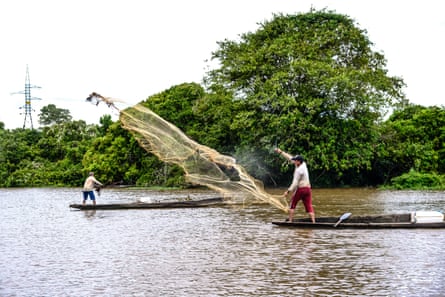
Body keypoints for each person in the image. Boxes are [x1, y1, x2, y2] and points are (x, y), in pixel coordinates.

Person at [274, 148, 315, 223]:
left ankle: (290, 221)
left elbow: (295, 183)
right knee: (309, 205)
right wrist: (281, 152)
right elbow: (290, 158)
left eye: (295, 160)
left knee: (292, 203)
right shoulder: (303, 164)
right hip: (308, 189)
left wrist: (288, 191)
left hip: (301, 189)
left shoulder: (299, 171)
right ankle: (313, 222)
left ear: (299, 161)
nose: (294, 161)